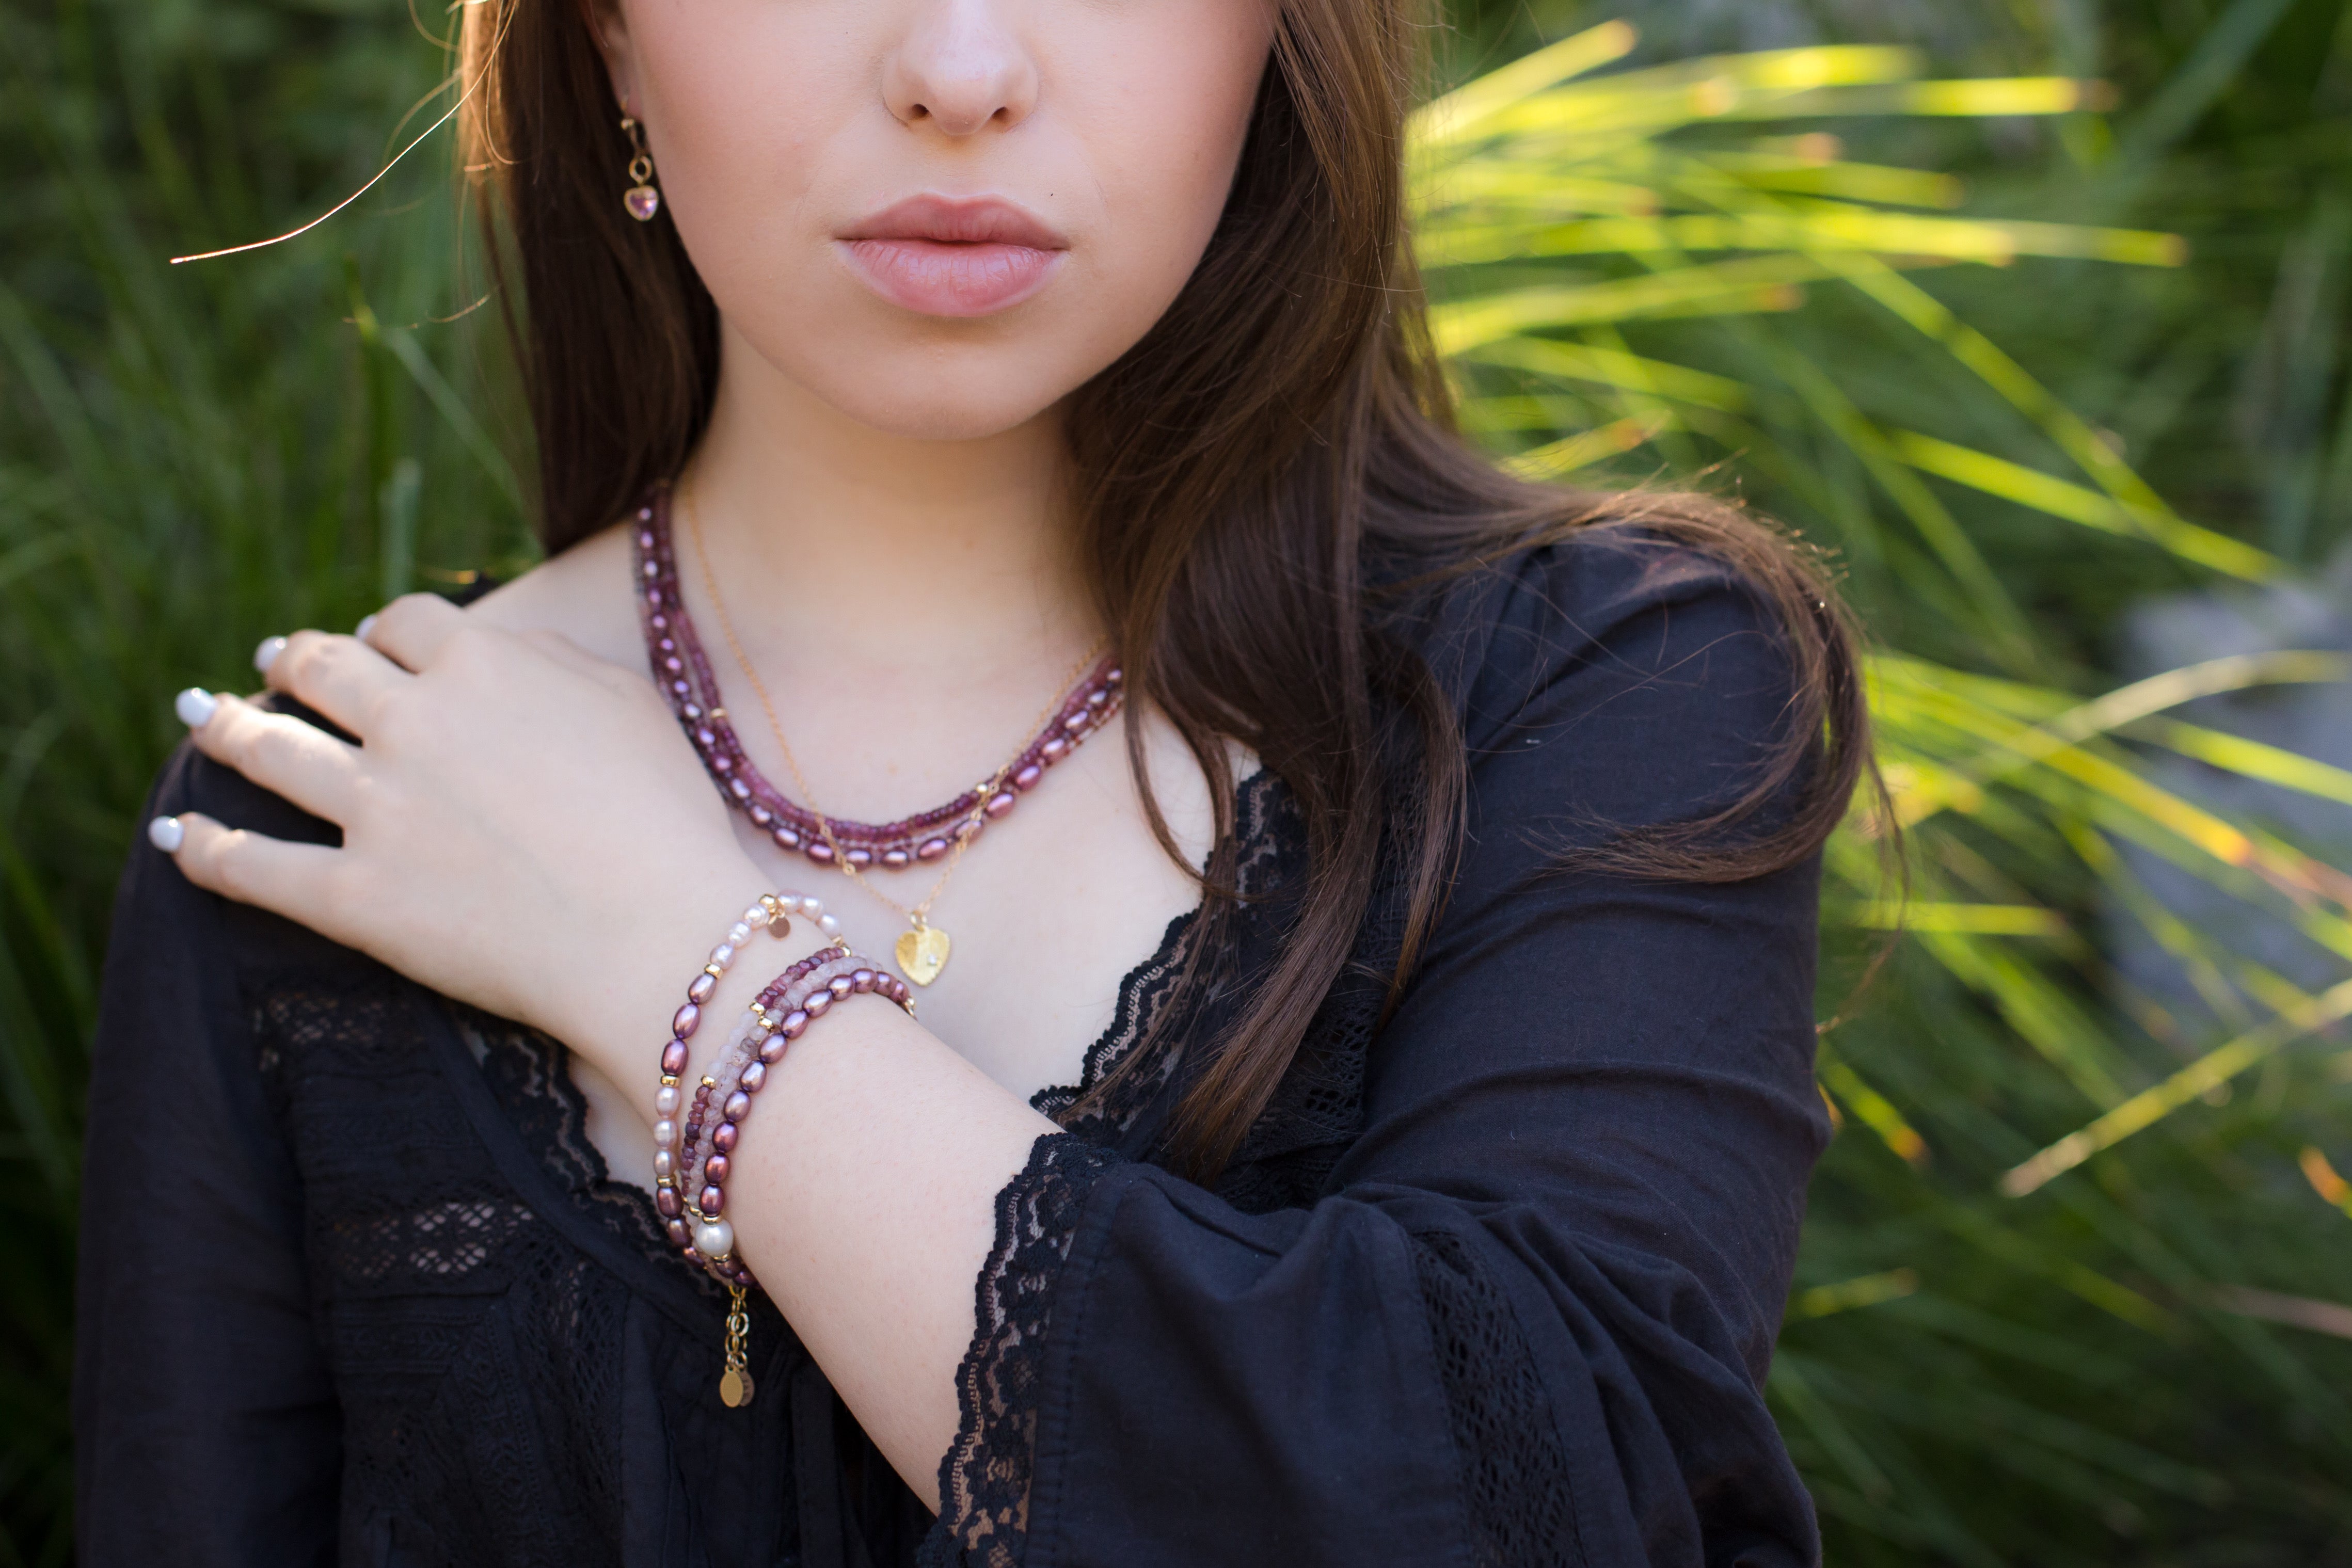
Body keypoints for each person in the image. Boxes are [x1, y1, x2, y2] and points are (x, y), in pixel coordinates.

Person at [74, 0, 1873, 1562]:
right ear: (608, 32)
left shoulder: (1608, 690)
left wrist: (675, 960)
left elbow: (1545, 1507)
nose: (957, 71)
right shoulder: (334, 813)